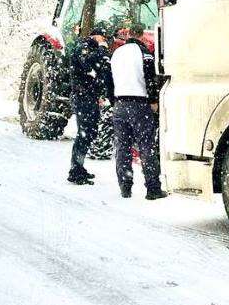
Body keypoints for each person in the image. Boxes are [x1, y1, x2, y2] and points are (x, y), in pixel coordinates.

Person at [109, 28, 167, 200]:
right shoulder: (144, 53)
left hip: (120, 104)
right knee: (146, 146)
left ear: (128, 36)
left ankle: (125, 187)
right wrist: (154, 100)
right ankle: (153, 188)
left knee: (122, 148)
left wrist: (114, 101)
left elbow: (108, 79)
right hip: (139, 104)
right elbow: (150, 78)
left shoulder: (116, 53)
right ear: (141, 35)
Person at [66, 22, 114, 185]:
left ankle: (79, 167)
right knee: (84, 132)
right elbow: (87, 64)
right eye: (103, 37)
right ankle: (75, 170)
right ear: (96, 35)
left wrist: (102, 94)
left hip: (91, 97)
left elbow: (101, 72)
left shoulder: (95, 50)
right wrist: (101, 48)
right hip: (82, 96)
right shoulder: (83, 46)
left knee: (90, 132)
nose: (105, 40)